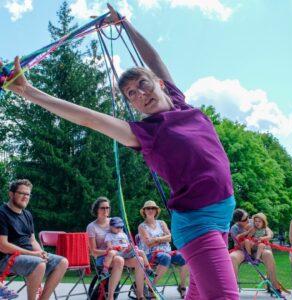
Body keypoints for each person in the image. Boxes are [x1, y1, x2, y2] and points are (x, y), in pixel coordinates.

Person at [3, 3, 239, 298]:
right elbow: (88, 118)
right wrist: (27, 90)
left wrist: (125, 23)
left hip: (220, 217)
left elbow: (153, 58)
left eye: (144, 84)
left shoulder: (180, 103)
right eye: (132, 94)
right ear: (133, 104)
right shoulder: (146, 133)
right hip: (198, 223)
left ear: (159, 84)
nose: (141, 94)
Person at [0, 179, 68, 300]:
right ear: (11, 194)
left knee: (62, 262)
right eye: (22, 193)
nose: (25, 197)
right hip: (7, 257)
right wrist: (33, 254)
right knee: (39, 264)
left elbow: (32, 240)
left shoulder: (27, 215)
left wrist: (41, 253)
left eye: (28, 194)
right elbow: (3, 246)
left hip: (28, 255)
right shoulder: (2, 213)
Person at [86, 197, 145, 300]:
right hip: (103, 258)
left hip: (121, 254)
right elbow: (93, 251)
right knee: (119, 260)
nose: (105, 210)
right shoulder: (92, 226)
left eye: (107, 208)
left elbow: (123, 239)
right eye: (102, 208)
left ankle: (140, 295)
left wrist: (129, 247)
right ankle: (110, 297)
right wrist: (107, 251)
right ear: (96, 209)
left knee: (139, 260)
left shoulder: (114, 221)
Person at [138, 200, 188, 299]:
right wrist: (162, 238)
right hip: (150, 254)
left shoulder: (161, 223)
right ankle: (151, 288)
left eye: (153, 208)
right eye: (148, 208)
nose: (151, 210)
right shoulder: (142, 226)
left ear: (156, 211)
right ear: (144, 211)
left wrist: (155, 239)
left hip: (166, 252)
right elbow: (148, 244)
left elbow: (169, 238)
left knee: (183, 256)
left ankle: (182, 287)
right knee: (166, 257)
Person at [230, 208, 282, 295]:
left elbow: (269, 232)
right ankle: (232, 289)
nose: (248, 219)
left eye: (248, 217)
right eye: (245, 219)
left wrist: (266, 237)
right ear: (238, 222)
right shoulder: (234, 229)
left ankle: (275, 286)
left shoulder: (254, 221)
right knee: (232, 257)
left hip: (259, 248)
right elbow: (239, 245)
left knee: (268, 254)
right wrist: (248, 237)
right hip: (244, 250)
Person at [99, 216, 156, 281]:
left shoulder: (123, 234)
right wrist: (114, 247)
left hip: (127, 251)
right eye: (117, 227)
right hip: (118, 252)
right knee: (111, 252)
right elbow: (109, 245)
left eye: (121, 227)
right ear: (111, 227)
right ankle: (105, 270)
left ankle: (148, 269)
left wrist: (131, 247)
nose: (119, 228)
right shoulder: (109, 235)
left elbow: (128, 243)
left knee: (141, 252)